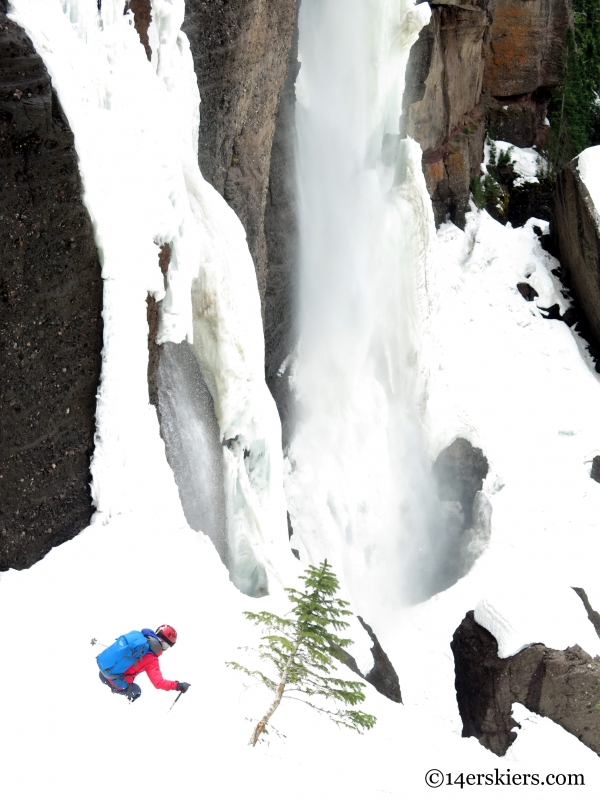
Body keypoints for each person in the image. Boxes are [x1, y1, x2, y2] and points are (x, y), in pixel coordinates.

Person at [99, 624, 190, 703]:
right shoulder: (152, 659)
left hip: (104, 670)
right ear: (164, 643)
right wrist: (178, 685)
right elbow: (158, 683)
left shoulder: (137, 636)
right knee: (137, 691)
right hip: (115, 682)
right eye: (166, 646)